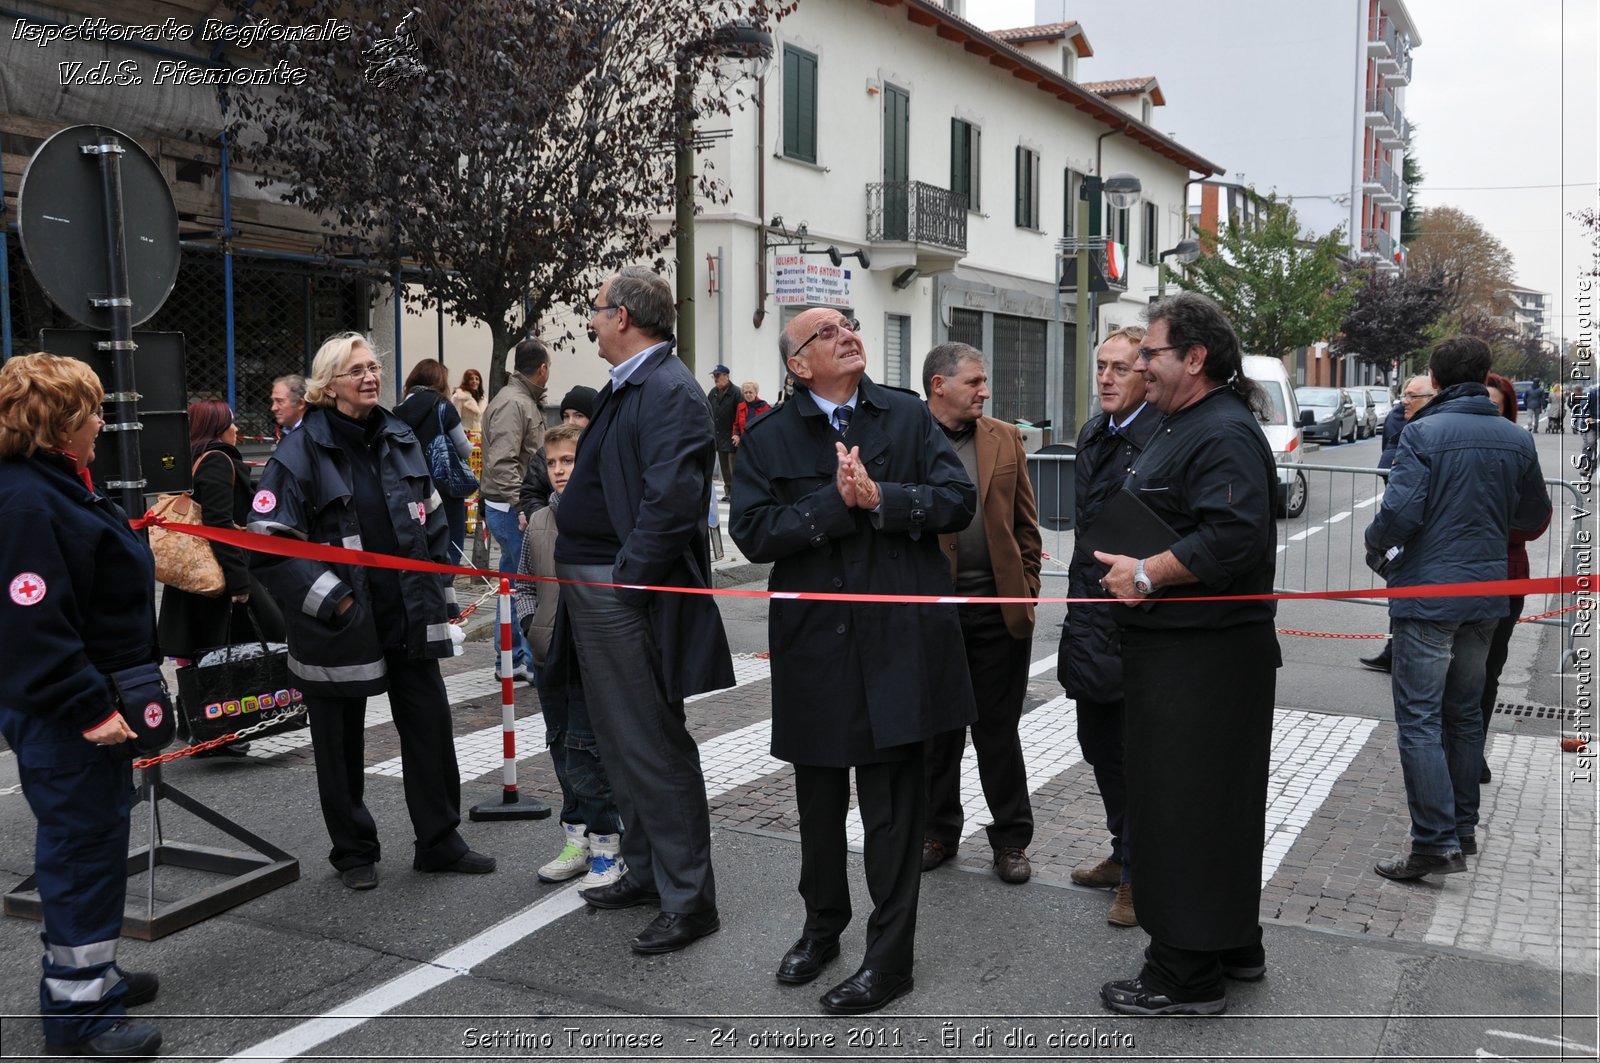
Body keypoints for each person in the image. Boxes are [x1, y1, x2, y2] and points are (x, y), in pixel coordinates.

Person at [731, 307, 976, 1016]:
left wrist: (883, 499)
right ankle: (821, 929)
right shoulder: (770, 436)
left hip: (897, 640)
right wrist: (831, 504)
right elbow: (752, 532)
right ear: (798, 365)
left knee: (894, 809)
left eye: (849, 325)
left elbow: (956, 500)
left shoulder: (903, 415)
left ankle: (889, 959)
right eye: (827, 332)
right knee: (818, 803)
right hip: (816, 643)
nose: (847, 335)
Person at [249, 331, 495, 891]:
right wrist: (332, 601)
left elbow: (433, 520)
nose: (370, 376)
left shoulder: (400, 435)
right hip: (337, 622)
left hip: (406, 613)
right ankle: (354, 851)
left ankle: (440, 840)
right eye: (356, 369)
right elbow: (267, 541)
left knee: (430, 728)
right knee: (339, 745)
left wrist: (438, 588)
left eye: (373, 366)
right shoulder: (299, 450)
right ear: (328, 384)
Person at [1093, 292, 1279, 1017]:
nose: (1139, 364)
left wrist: (1147, 573)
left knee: (1184, 814)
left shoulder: (1222, 430)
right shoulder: (1191, 421)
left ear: (1194, 359)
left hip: (1201, 663)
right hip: (1188, 657)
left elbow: (1234, 537)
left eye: (1151, 352)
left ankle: (1183, 975)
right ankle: (1231, 945)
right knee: (1213, 811)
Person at [554, 267, 733, 954]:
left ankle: (690, 900)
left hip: (620, 592)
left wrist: (625, 581)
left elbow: (672, 500)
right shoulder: (632, 384)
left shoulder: (668, 389)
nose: (590, 320)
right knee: (618, 739)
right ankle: (647, 869)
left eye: (595, 309)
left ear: (622, 315)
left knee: (652, 745)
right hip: (597, 586)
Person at [0, 352, 163, 1059]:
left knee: (96, 844)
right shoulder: (28, 499)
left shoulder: (52, 486)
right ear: (60, 421)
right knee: (80, 850)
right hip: (72, 715)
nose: (103, 420)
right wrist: (89, 706)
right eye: (92, 409)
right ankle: (81, 1012)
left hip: (88, 703)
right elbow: (30, 623)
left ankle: (96, 973)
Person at [1365, 337, 1550, 882]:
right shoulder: (1517, 438)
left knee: (1420, 719)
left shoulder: (1423, 433)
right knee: (1465, 716)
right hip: (1486, 593)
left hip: (1428, 594)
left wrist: (1377, 548)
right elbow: (1533, 511)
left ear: (1436, 380)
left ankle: (1434, 842)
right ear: (1485, 374)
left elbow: (1398, 513)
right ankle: (1462, 831)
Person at [918, 343, 1042, 885]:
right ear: (939, 385)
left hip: (998, 612)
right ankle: (938, 832)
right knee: (939, 732)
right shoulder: (908, 438)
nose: (984, 392)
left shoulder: (1004, 437)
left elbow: (1026, 526)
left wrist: (1027, 587)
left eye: (985, 381)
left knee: (998, 732)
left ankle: (1011, 841)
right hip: (934, 615)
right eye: (974, 382)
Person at [1059, 325, 1160, 929]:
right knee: (1099, 748)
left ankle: (1138, 877)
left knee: (1135, 754)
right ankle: (1122, 850)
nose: (1105, 378)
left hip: (1138, 619)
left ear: (1148, 375)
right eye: (1101, 366)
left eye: (1120, 368)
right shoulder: (1095, 432)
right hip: (1088, 610)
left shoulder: (1162, 439)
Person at [514, 422, 624, 888]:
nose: (560, 471)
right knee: (559, 742)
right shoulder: (538, 522)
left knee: (587, 749)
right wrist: (531, 626)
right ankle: (575, 837)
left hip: (592, 655)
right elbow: (524, 584)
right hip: (549, 653)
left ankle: (608, 845)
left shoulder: (607, 516)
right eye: (553, 462)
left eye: (570, 461)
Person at [158, 398, 287, 758]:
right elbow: (219, 525)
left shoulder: (197, 459)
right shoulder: (217, 461)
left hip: (201, 575)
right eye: (230, 422)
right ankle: (214, 730)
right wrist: (239, 582)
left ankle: (199, 728)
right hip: (218, 574)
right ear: (216, 427)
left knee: (206, 650)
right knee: (243, 641)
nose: (235, 428)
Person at [1478, 373, 1552, 784]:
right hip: (1457, 577)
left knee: (1488, 671)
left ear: (1508, 410)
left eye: (1496, 407)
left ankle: (1474, 751)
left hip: (1505, 577)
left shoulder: (1519, 445)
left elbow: (1537, 514)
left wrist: (1484, 531)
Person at [480, 338, 550, 682]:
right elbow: (502, 462)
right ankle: (515, 658)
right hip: (511, 509)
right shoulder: (514, 403)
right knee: (522, 585)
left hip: (510, 506)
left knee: (514, 582)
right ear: (542, 369)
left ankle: (511, 659)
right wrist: (522, 505)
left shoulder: (518, 400)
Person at [1361, 374, 1436, 673]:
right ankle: (1395, 649)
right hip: (1403, 513)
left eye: (1411, 396)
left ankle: (1402, 652)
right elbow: (1388, 458)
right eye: (1403, 394)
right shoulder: (1399, 418)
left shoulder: (1433, 428)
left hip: (1421, 526)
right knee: (1398, 576)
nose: (1403, 401)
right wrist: (1377, 540)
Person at [394, 359, 473, 563]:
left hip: (413, 485)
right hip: (445, 486)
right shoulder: (443, 406)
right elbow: (465, 450)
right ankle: (445, 588)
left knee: (422, 542)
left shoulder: (398, 411)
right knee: (452, 546)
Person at [516, 385, 597, 525]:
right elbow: (531, 493)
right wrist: (545, 521)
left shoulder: (604, 449)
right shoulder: (546, 453)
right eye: (566, 416)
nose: (570, 422)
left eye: (578, 415)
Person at [707, 363, 739, 496]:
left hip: (732, 436)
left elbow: (740, 415)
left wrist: (737, 433)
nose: (716, 379)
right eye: (714, 376)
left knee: (733, 468)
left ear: (727, 376)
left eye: (718, 376)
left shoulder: (736, 392)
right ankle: (728, 493)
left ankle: (736, 494)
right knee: (724, 468)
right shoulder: (713, 393)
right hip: (718, 436)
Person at [732, 380, 771, 447]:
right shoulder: (740, 406)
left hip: (760, 444)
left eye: (750, 392)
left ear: (756, 393)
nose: (748, 395)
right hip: (744, 443)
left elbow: (769, 427)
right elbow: (737, 425)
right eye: (745, 392)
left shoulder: (764, 406)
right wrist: (736, 435)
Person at [271, 373, 307, 439]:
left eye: (280, 401)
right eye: (273, 401)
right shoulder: (285, 432)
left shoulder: (312, 436)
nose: (273, 408)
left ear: (300, 403)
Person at [452, 368, 485, 433]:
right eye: (471, 379)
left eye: (477, 379)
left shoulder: (482, 400)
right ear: (466, 381)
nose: (474, 381)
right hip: (464, 436)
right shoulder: (458, 397)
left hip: (478, 437)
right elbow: (455, 420)